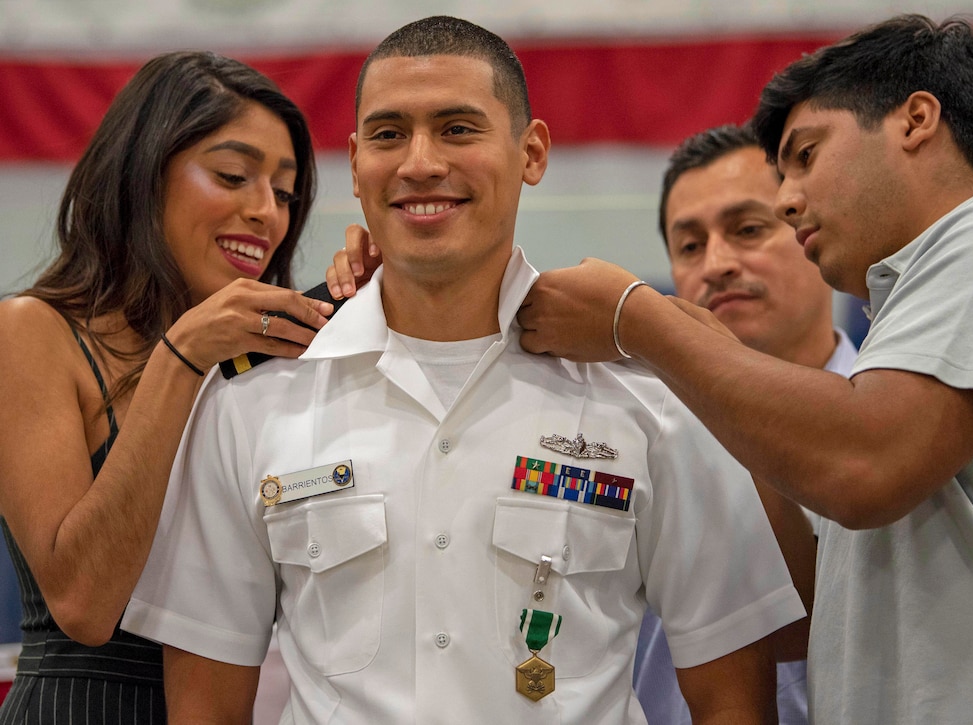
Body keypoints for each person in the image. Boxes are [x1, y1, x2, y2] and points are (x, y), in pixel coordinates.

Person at [122, 16, 804, 724]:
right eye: (388, 135)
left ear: (531, 152)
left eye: (457, 129)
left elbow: (732, 696)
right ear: (355, 165)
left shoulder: (647, 392)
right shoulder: (254, 398)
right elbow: (206, 704)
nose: (419, 162)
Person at [517, 14, 973, 722]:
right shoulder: (898, 332)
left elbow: (865, 462)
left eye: (806, 155)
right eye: (688, 245)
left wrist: (639, 320)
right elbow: (802, 619)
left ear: (915, 119)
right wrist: (698, 352)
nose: (789, 199)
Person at [0, 51, 333, 722]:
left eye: (285, 192)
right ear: (143, 175)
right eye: (233, 175)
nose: (266, 211)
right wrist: (180, 359)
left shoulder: (269, 358)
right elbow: (83, 602)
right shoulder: (32, 332)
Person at [632, 123, 857, 725]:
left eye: (748, 230)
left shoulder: (896, 420)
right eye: (689, 246)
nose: (717, 264)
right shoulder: (637, 430)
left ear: (808, 230)